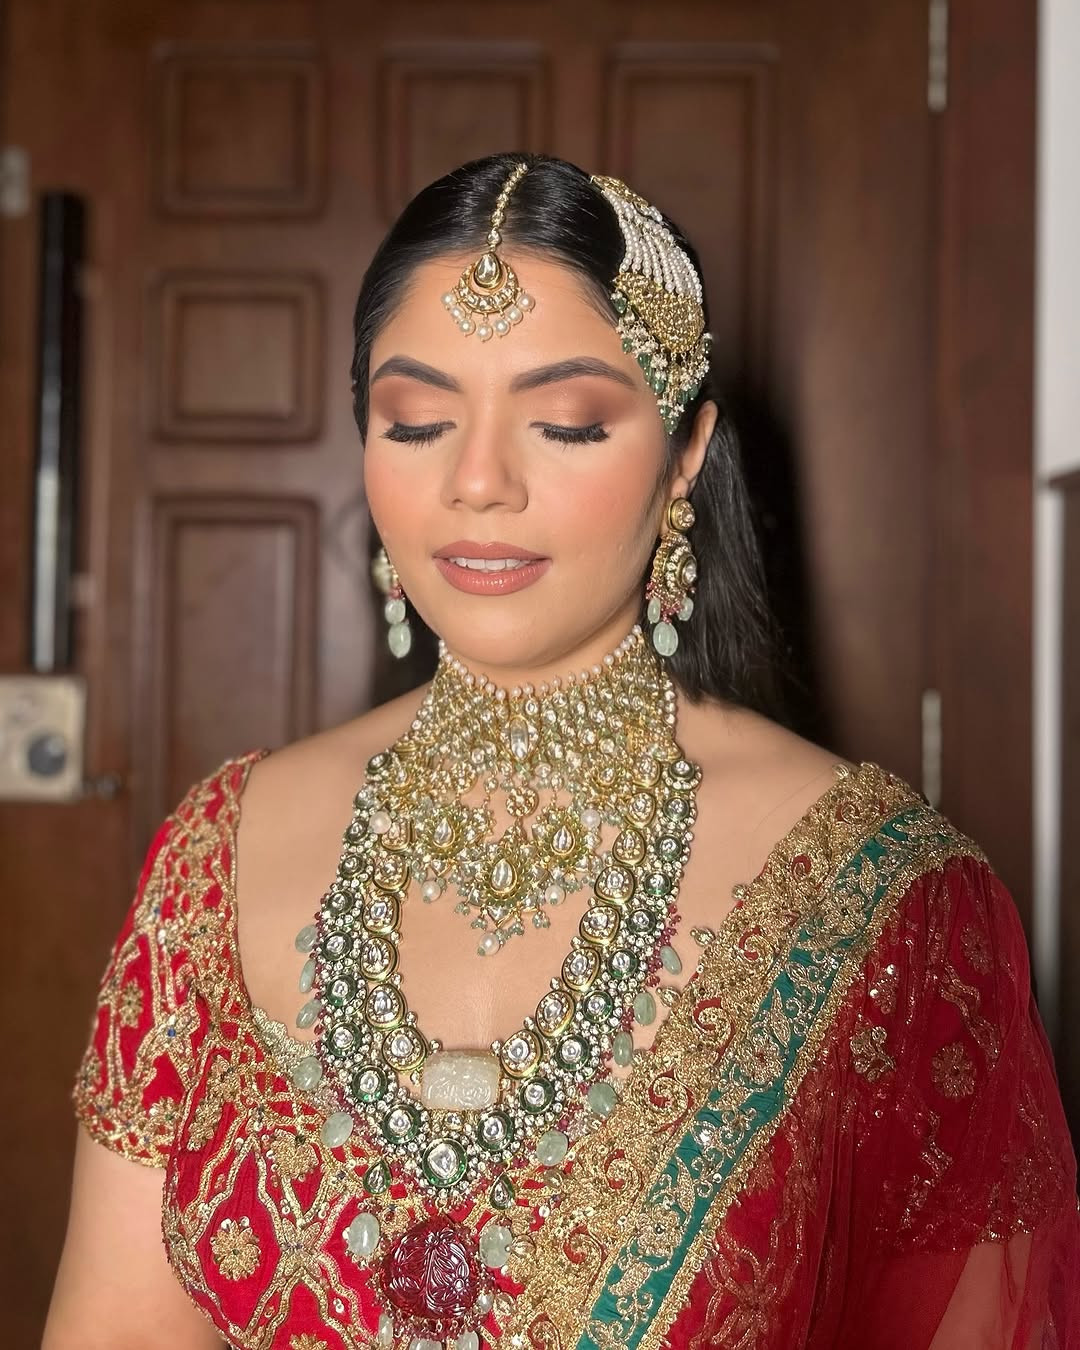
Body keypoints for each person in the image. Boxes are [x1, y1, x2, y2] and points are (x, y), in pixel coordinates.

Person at [45, 153, 1078, 1350]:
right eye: (418, 421)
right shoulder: (213, 861)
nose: (478, 482)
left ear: (686, 453)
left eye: (567, 422)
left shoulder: (891, 903)